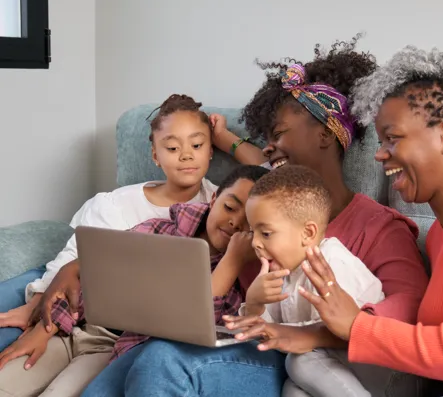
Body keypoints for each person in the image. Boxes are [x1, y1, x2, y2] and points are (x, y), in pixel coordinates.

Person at [83, 35, 429, 397]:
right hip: (247, 337)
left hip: (313, 359)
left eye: (278, 134)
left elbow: (409, 306)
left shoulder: (376, 226)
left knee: (163, 360)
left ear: (326, 134)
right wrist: (76, 269)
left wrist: (317, 333)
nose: (268, 146)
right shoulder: (253, 213)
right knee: (109, 382)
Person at [240, 46, 443, 396]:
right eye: (380, 141)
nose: (380, 154)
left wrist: (357, 325)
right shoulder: (441, 233)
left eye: (393, 138)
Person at [0, 165, 269, 397]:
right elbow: (93, 273)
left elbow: (192, 325)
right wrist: (43, 330)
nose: (235, 223)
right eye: (230, 207)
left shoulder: (243, 275)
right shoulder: (161, 229)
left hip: (111, 348)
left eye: (249, 221)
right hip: (73, 326)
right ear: (213, 199)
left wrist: (233, 261)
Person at [0, 94, 218, 353]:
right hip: (55, 285)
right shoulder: (116, 203)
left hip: (116, 321)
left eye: (196, 145)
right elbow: (72, 258)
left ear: (211, 150)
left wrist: (231, 139)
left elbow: (265, 181)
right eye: (172, 148)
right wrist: (36, 304)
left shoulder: (222, 207)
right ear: (155, 155)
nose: (185, 156)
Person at [231, 164, 385, 397]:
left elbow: (345, 335)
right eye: (253, 232)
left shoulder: (333, 264)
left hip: (380, 371)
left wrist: (280, 332)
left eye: (266, 233)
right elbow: (270, 334)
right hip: (331, 373)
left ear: (308, 233)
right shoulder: (282, 271)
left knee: (299, 363)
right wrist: (254, 304)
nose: (255, 243)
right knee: (292, 390)